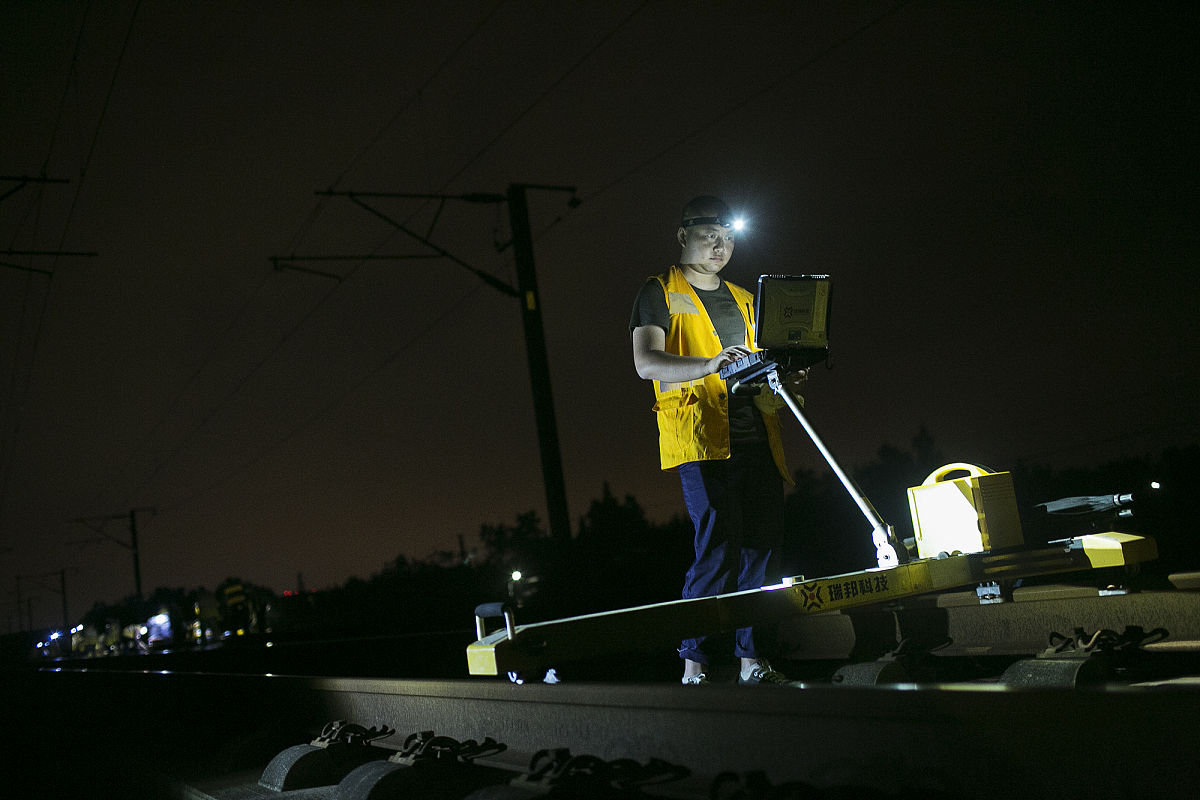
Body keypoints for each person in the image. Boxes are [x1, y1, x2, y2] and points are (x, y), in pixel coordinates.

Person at [629, 195, 802, 685]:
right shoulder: (658, 290)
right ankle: (696, 664)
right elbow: (646, 363)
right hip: (703, 439)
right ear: (683, 235)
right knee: (719, 547)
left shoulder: (748, 298)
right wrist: (709, 365)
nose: (721, 245)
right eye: (710, 234)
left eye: (729, 236)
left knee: (763, 550)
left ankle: (754, 661)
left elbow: (762, 363)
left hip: (758, 438)